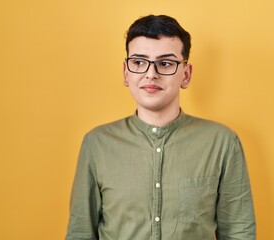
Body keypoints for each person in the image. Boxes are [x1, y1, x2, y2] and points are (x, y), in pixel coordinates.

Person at [66, 14, 256, 240]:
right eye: (138, 62)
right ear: (126, 73)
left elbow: (239, 232)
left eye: (165, 63)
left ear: (186, 75)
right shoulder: (97, 144)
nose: (151, 74)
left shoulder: (222, 142)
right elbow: (80, 233)